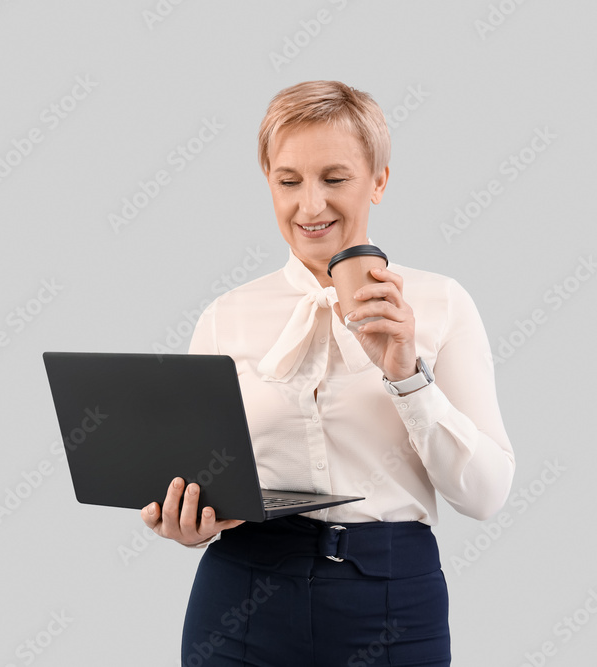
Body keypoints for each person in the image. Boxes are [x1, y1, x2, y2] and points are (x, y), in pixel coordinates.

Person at [140, 80, 514, 666]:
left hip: (394, 601)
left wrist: (407, 374)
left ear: (380, 180)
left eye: (334, 178)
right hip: (241, 597)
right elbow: (199, 478)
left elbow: (486, 494)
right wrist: (189, 521)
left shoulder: (441, 304)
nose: (310, 206)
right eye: (289, 181)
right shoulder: (226, 316)